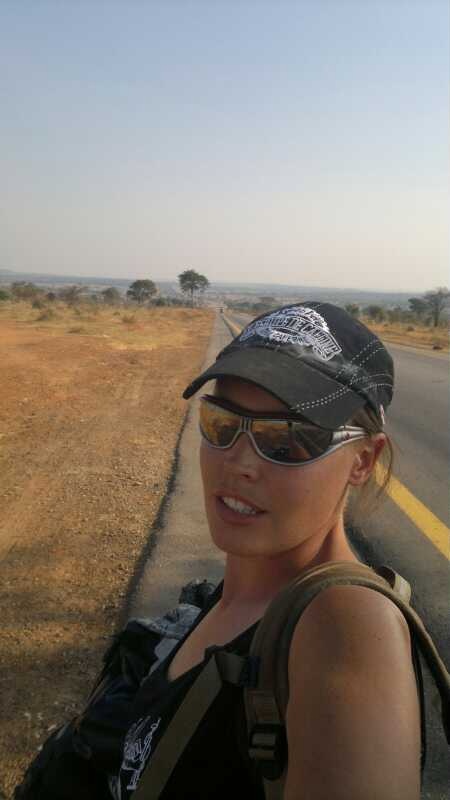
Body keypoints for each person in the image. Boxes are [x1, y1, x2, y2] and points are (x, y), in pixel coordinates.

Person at [16, 301, 424, 799]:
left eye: (286, 438)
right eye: (222, 423)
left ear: (363, 460)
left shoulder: (347, 627)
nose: (239, 462)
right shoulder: (235, 596)